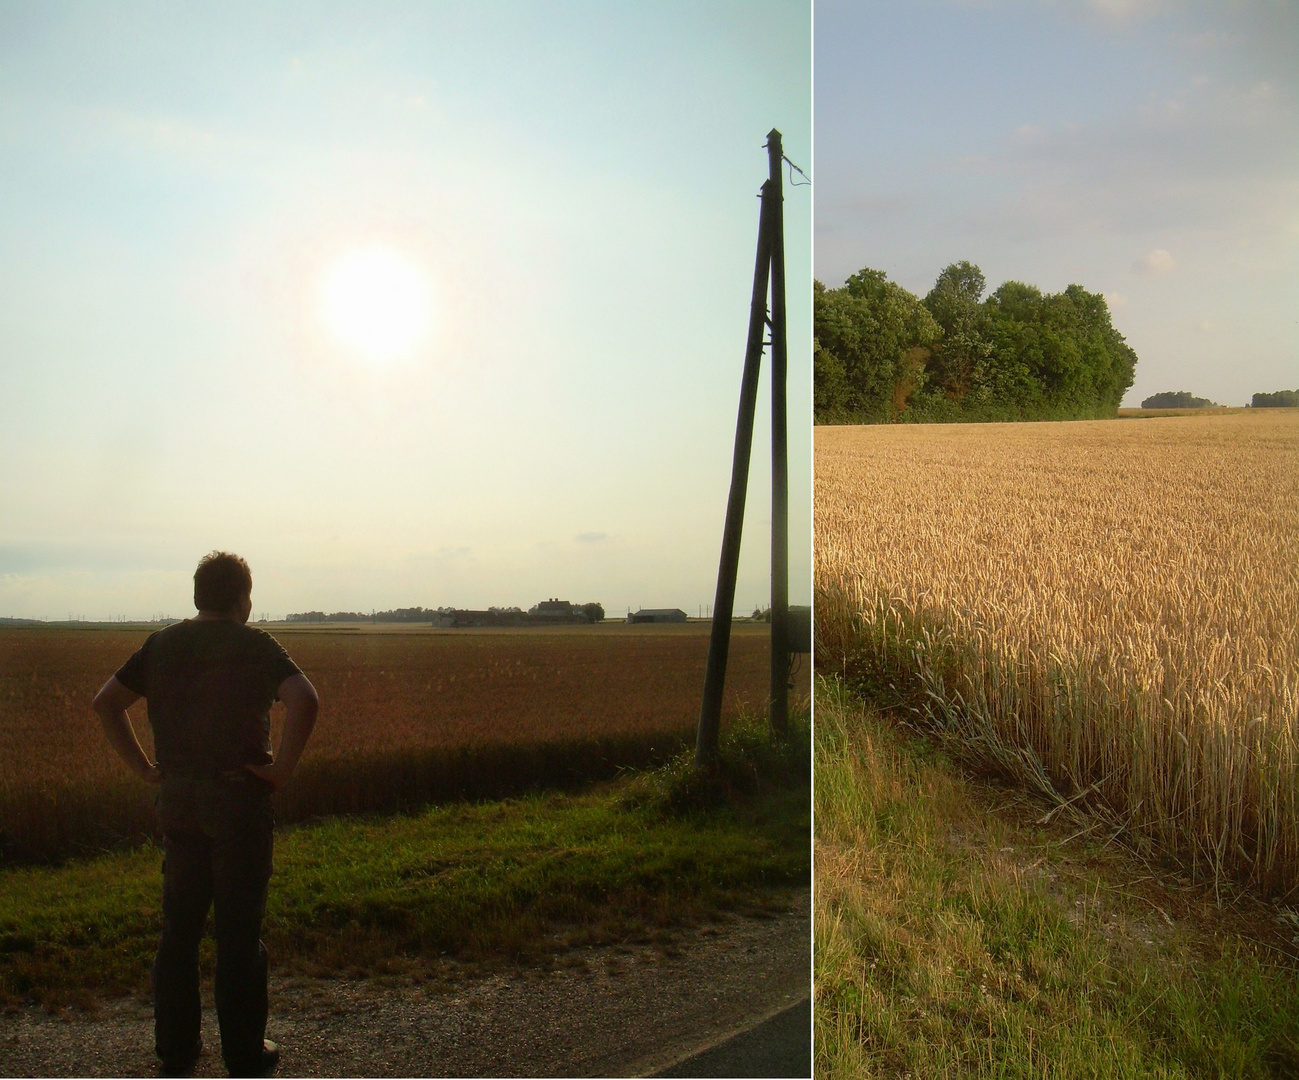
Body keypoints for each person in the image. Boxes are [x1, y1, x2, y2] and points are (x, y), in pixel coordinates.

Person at [92, 552, 319, 1078]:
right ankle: (244, 1053)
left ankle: (176, 1050)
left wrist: (147, 769)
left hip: (179, 800)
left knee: (180, 930)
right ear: (242, 598)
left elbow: (106, 703)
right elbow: (305, 701)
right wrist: (281, 770)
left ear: (198, 595)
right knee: (238, 931)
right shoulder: (257, 645)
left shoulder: (162, 645)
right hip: (239, 801)